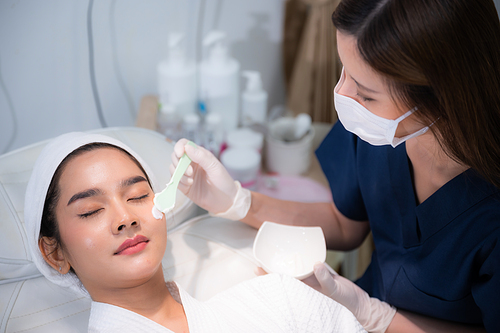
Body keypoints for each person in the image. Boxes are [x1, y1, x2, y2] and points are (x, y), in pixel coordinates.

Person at [170, 0, 500, 332]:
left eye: (366, 94)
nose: (342, 94)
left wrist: (374, 316)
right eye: (344, 70)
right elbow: (345, 226)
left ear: (444, 95)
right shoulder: (380, 131)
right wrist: (239, 202)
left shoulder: (489, 215)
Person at [24, 132, 365, 333]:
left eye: (138, 195)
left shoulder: (275, 297)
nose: (125, 218)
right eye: (91, 211)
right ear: (55, 253)